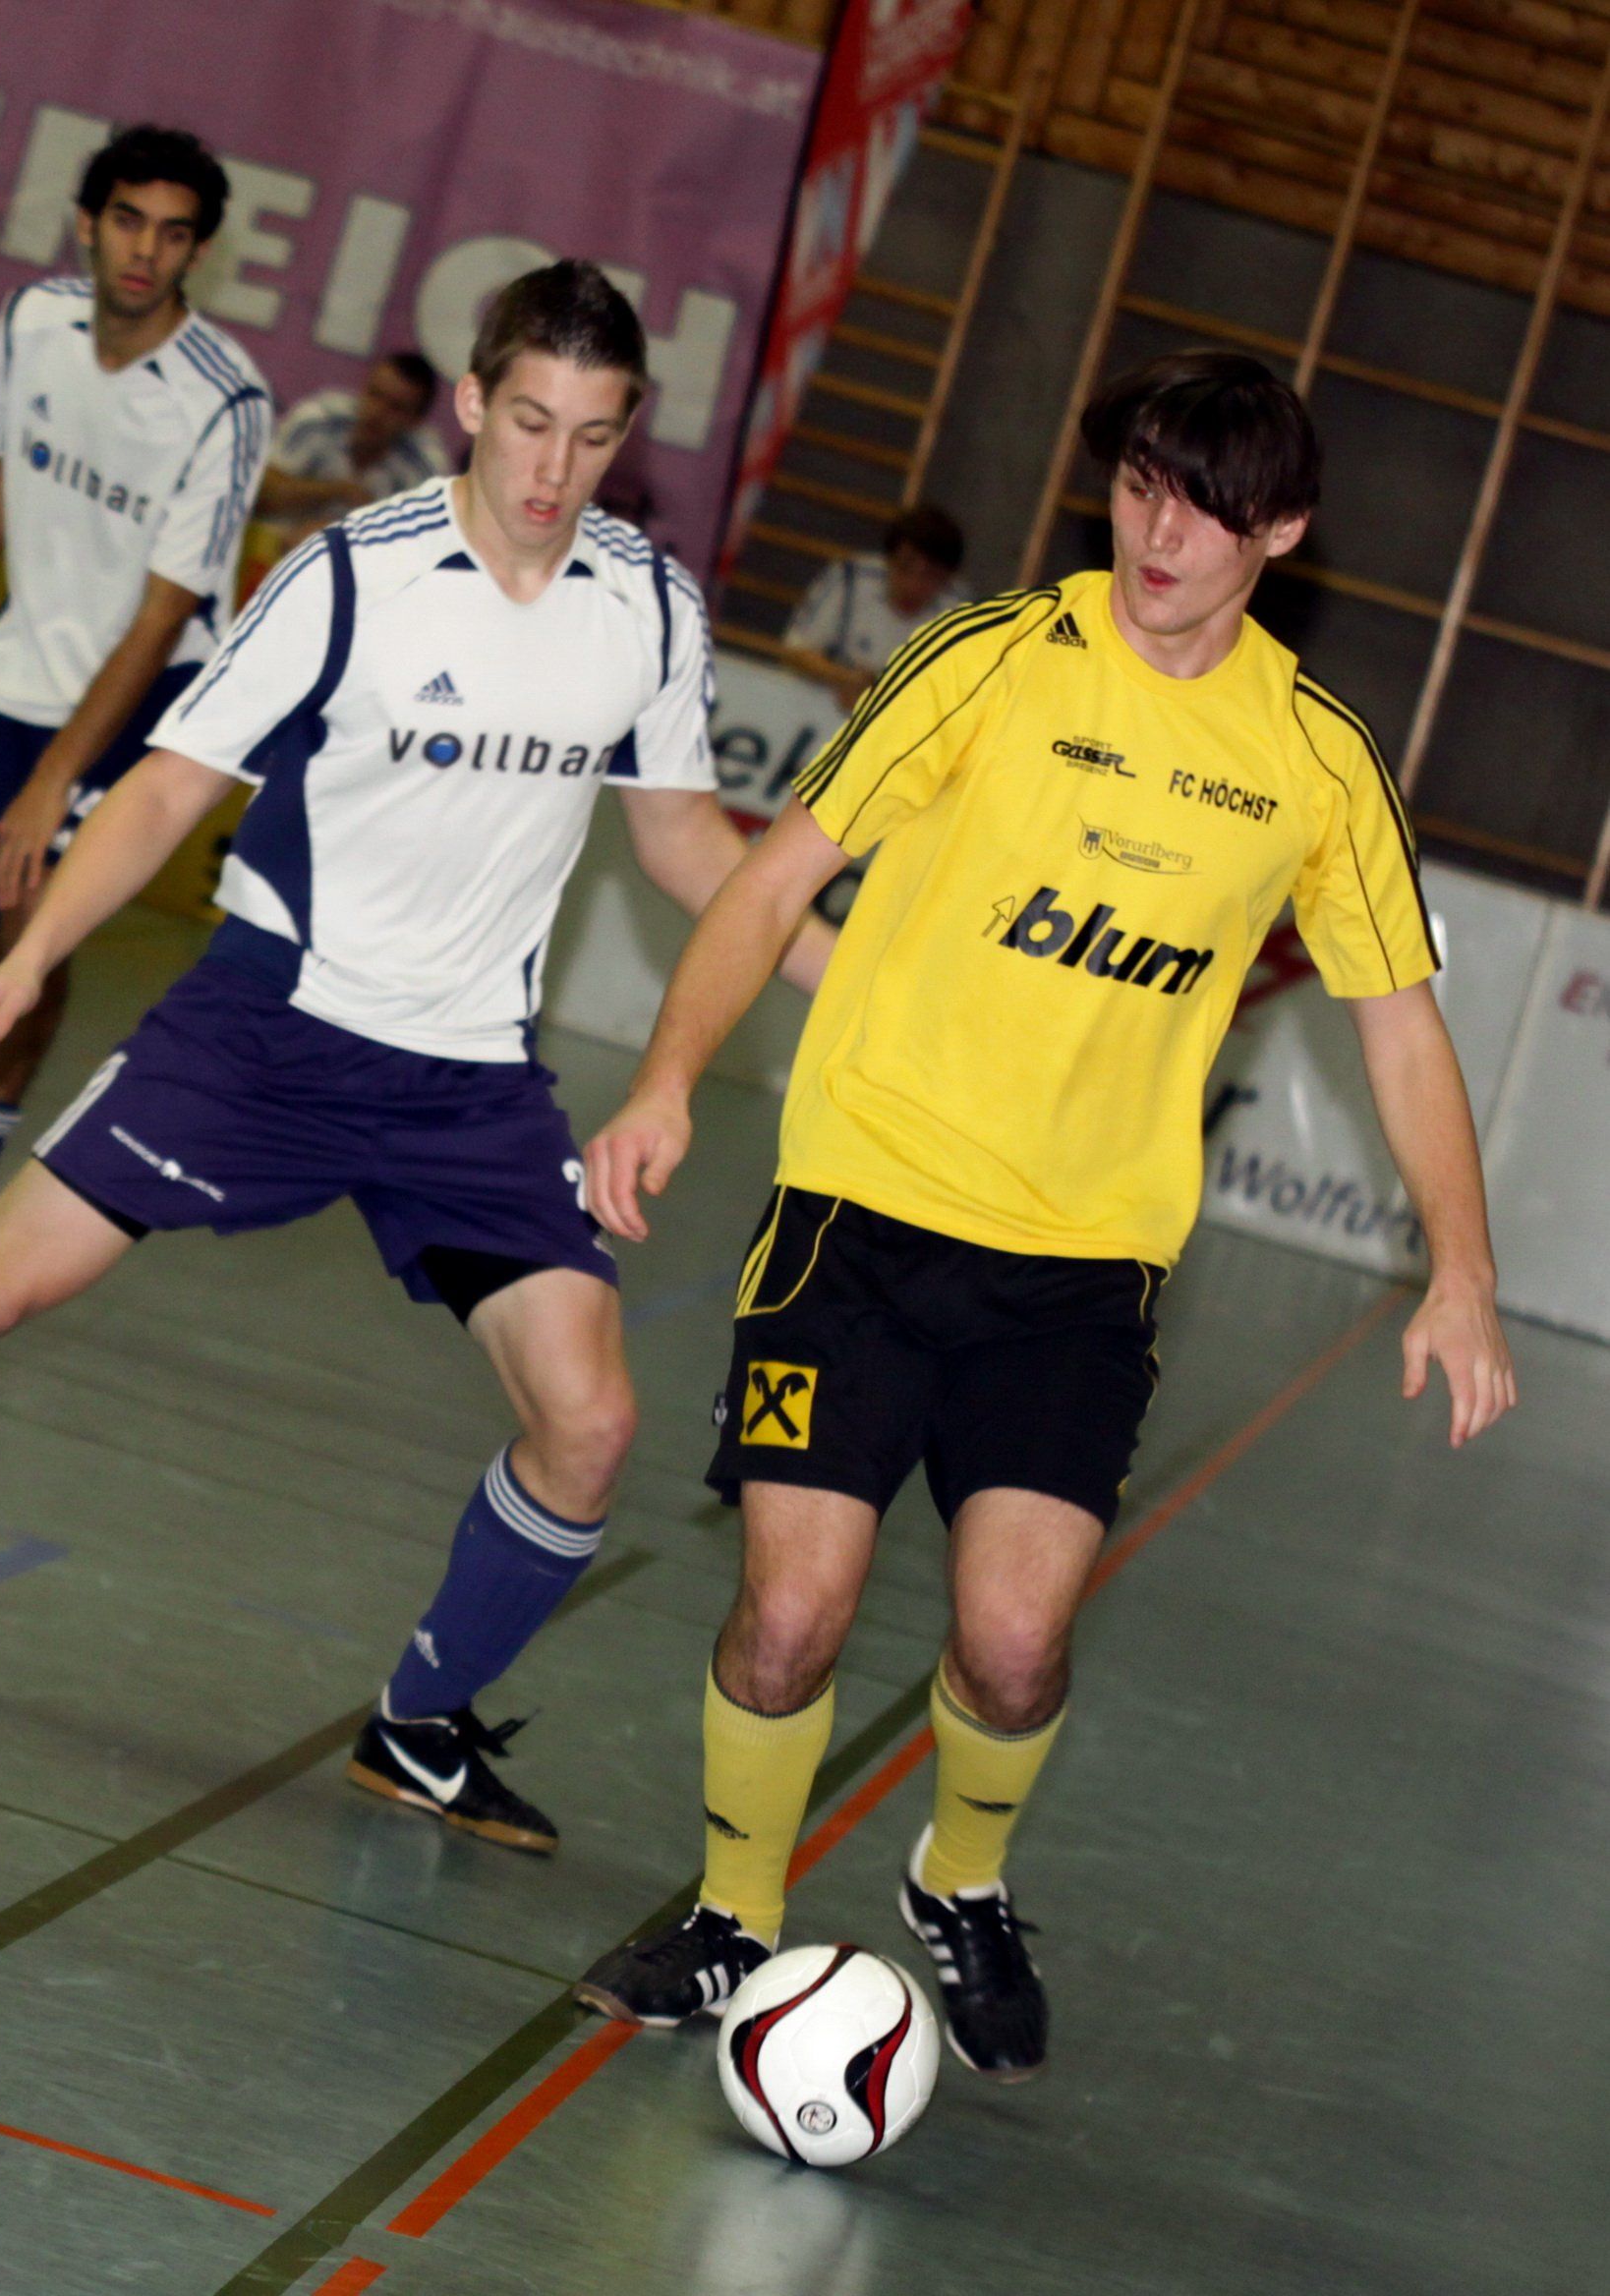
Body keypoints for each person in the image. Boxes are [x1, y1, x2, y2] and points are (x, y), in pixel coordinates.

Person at [0, 264, 833, 1854]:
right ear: (471, 405)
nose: (554, 467)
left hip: (469, 1086)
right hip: (263, 1033)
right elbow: (166, 787)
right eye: (530, 422)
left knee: (593, 1424)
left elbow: (691, 845)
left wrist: (858, 977)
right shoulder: (351, 577)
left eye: (593, 435)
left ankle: (416, 1725)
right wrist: (26, 961)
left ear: (627, 437)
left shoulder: (646, 605)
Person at [572, 353, 1515, 2076]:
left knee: (1013, 1649)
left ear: (1281, 533)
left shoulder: (1313, 758)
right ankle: (732, 1913)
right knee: (789, 1616)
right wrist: (664, 1082)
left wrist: (1458, 1268)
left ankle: (962, 1877)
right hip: (861, 1213)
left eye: (1208, 510)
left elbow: (1399, 1024)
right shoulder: (988, 658)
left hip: (1081, 1270)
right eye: (1141, 488)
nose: (1160, 534)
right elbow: (772, 878)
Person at [0, 126, 269, 1262]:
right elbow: (0, 479)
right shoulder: (32, 323)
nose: (145, 251)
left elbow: (165, 610)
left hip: (141, 693)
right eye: (127, 221)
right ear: (87, 223)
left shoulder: (224, 401)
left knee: (27, 934)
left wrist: (54, 778)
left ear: (197, 252)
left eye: (172, 234)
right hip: (15, 673)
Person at [778, 503, 968, 709]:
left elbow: (960, 695)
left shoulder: (960, 612)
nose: (913, 585)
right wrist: (842, 678)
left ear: (948, 579)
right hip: (822, 705)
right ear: (888, 560)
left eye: (931, 576)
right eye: (905, 568)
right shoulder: (850, 579)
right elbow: (794, 652)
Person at [255, 350, 448, 545]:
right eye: (374, 394)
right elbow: (261, 496)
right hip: (277, 546)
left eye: (395, 407)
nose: (377, 412)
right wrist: (337, 491)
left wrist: (337, 538)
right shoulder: (318, 419)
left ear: (416, 421)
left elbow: (424, 547)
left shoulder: (426, 468)